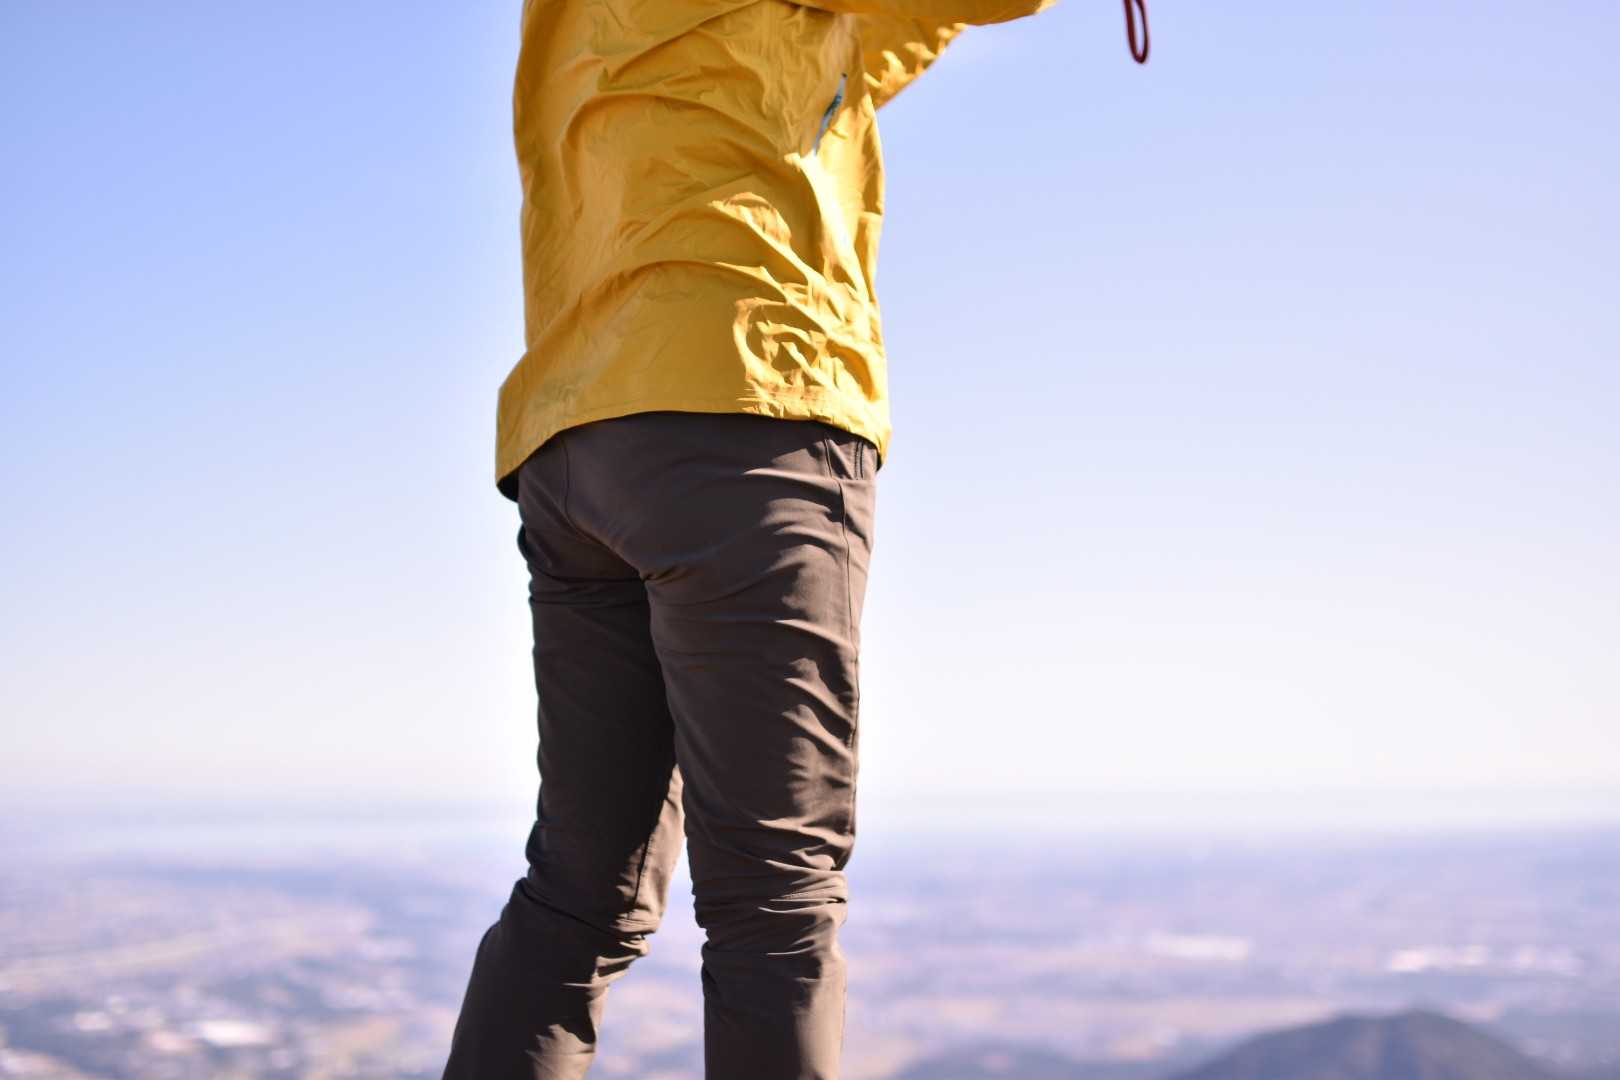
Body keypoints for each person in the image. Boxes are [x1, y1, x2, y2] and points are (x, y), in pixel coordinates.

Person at [443, 1, 1144, 1077]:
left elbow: (839, 55)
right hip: (745, 406)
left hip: (578, 433)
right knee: (776, 907)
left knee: (578, 896)